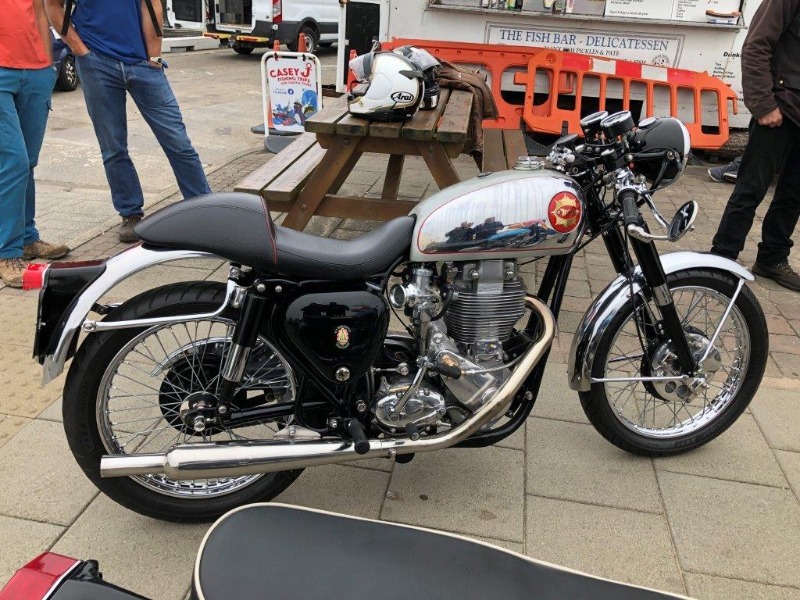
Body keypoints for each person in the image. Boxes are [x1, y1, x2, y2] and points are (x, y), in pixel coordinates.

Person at [45, 0, 211, 243]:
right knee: (113, 147)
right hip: (96, 62)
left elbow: (151, 5)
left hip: (143, 62)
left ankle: (204, 210)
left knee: (177, 141)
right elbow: (52, 5)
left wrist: (154, 55)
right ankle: (130, 213)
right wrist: (80, 50)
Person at [710, 0, 800, 291]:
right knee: (751, 189)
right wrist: (763, 104)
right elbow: (756, 45)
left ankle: (772, 258)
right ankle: (722, 257)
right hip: (780, 109)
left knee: (793, 196)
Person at [0, 0, 70, 287]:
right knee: (13, 160)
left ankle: (27, 237)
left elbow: (42, 10)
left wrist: (48, 65)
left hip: (37, 70)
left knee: (27, 161)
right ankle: (7, 252)